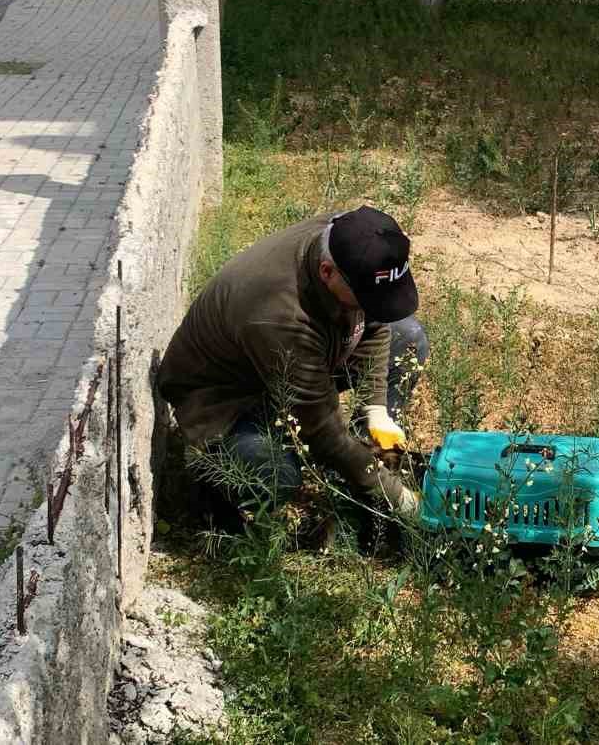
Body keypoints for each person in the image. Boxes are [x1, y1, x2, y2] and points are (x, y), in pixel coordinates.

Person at [157, 206, 429, 525]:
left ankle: (363, 461)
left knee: (407, 338)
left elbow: (374, 322)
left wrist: (376, 409)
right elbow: (322, 429)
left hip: (289, 363)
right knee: (274, 475)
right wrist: (404, 502)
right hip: (226, 399)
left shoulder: (349, 238)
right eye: (365, 298)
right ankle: (211, 487)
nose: (371, 308)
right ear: (326, 272)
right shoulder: (279, 314)